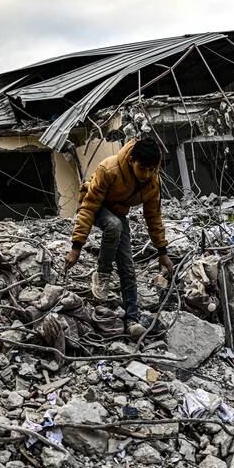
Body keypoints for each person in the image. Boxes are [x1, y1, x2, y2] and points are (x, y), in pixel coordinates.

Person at [63, 135, 175, 335]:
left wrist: (162, 251)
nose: (147, 174)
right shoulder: (109, 169)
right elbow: (88, 208)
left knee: (127, 265)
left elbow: (154, 217)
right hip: (95, 207)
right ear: (132, 160)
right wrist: (76, 247)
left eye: (152, 170)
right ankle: (103, 273)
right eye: (143, 169)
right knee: (114, 225)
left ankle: (132, 319)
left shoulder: (152, 182)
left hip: (118, 212)